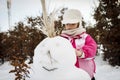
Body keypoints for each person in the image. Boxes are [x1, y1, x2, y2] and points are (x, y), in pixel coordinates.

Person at [60, 9, 97, 80]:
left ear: (79, 23)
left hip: (86, 75)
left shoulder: (85, 37)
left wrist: (81, 53)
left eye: (73, 24)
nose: (70, 26)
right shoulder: (61, 39)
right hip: (68, 76)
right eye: (67, 24)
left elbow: (92, 48)